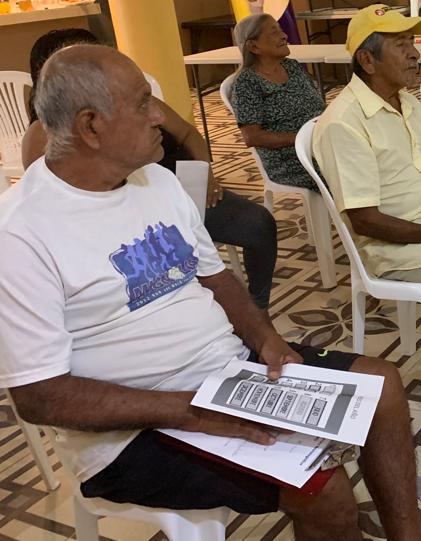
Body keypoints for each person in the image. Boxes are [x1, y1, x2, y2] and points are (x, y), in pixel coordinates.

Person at [0, 44, 420, 541]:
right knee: (323, 493)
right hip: (128, 434)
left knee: (383, 387)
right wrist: (193, 409)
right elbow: (41, 398)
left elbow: (217, 277)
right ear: (91, 126)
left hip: (225, 374)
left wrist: (266, 340)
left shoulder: (156, 182)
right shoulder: (21, 233)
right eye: (143, 103)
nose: (160, 116)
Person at [22, 29, 277, 310]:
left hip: (181, 186)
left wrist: (205, 174)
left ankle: (258, 304)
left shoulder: (145, 111)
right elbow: (56, 204)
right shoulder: (42, 139)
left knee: (258, 224)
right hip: (133, 218)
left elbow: (188, 134)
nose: (153, 116)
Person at [313, 5, 421, 282]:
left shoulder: (407, 101)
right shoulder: (344, 123)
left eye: (411, 42)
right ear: (367, 60)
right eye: (401, 45)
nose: (415, 54)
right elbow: (365, 221)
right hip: (400, 249)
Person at [230, 13, 324, 192]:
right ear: (253, 46)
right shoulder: (247, 82)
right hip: (292, 160)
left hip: (319, 145)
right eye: (274, 32)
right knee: (351, 168)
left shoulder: (292, 66)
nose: (284, 36)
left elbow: (318, 106)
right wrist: (303, 139)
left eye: (280, 30)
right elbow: (252, 137)